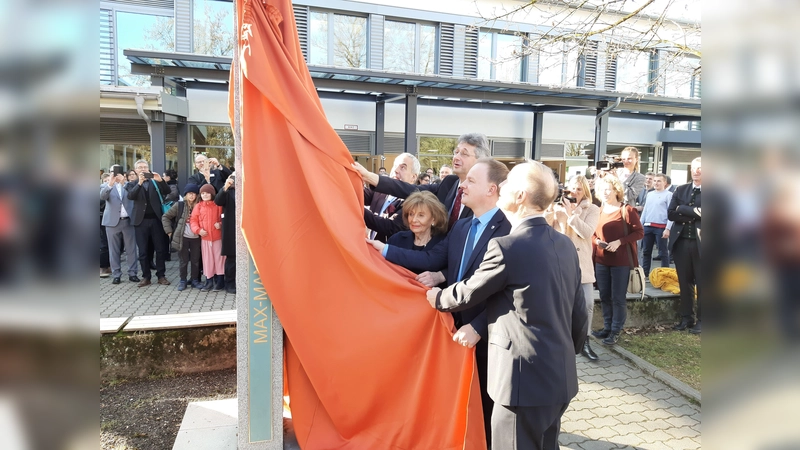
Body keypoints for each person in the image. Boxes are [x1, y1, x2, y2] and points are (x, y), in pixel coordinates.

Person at [425, 160, 587, 450]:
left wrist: (436, 297)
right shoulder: (564, 245)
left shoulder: (507, 246)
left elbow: (466, 294)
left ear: (521, 195)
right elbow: (580, 314)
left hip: (521, 386)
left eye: (508, 183)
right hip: (559, 378)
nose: (501, 188)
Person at [370, 158, 511, 446]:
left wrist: (478, 326)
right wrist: (382, 249)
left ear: (492, 189)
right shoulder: (461, 227)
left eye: (471, 180)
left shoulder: (508, 230)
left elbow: (508, 290)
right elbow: (434, 260)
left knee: (486, 407)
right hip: (452, 328)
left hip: (485, 335)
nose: (462, 185)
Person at [353, 133, 491, 232]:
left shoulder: (485, 193)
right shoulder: (449, 183)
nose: (456, 157)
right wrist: (369, 176)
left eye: (464, 154)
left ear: (480, 160)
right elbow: (410, 190)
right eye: (456, 152)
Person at [545, 175, 601, 361]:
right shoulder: (555, 208)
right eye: (572, 189)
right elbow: (544, 229)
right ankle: (560, 341)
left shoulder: (592, 209)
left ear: (585, 190)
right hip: (560, 263)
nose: (575, 193)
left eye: (579, 189)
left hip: (582, 264)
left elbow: (586, 232)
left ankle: (584, 341)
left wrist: (571, 215)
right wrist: (549, 209)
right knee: (560, 304)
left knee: (587, 304)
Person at [591, 175, 644, 345]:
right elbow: (591, 233)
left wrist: (619, 242)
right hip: (601, 260)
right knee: (604, 295)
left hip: (621, 262)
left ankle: (615, 330)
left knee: (618, 298)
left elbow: (639, 232)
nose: (605, 193)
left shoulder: (626, 210)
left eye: (608, 189)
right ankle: (607, 327)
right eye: (602, 190)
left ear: (616, 190)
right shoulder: (597, 210)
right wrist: (597, 241)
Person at [668, 157, 701, 334]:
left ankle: (703, 320)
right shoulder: (681, 189)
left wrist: (683, 209)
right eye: (694, 168)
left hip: (702, 245)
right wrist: (695, 213)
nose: (697, 171)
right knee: (684, 282)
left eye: (701, 168)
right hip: (681, 243)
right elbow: (671, 214)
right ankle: (686, 317)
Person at [125, 159, 171, 287]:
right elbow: (131, 196)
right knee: (143, 251)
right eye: (140, 167)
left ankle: (161, 276)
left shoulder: (155, 181)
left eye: (145, 167)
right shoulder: (132, 184)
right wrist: (139, 183)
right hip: (140, 222)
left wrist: (160, 180)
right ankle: (146, 277)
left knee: (160, 249)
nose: (143, 169)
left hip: (157, 220)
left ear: (148, 168)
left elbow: (167, 191)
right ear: (135, 170)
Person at [363, 153, 419, 242]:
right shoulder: (381, 190)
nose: (396, 170)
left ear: (413, 177)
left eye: (402, 167)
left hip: (389, 253)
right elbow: (358, 194)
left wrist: (359, 210)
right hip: (368, 251)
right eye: (395, 166)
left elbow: (391, 227)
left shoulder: (414, 202)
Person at [383, 191, 447, 263]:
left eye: (421, 215)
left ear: (434, 219)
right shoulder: (397, 239)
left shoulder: (441, 244)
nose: (414, 220)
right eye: (411, 214)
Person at [101, 165, 139, 284]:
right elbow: (102, 197)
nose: (116, 174)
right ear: (110, 173)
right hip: (112, 222)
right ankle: (116, 274)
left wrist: (124, 183)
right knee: (114, 250)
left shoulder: (128, 185)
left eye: (118, 172)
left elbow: (133, 195)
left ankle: (133, 273)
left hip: (128, 221)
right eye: (113, 172)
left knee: (131, 249)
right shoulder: (105, 185)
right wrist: (110, 184)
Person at [162, 183, 203, 291]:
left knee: (195, 260)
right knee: (183, 260)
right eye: (189, 194)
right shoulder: (179, 205)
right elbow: (166, 217)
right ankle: (183, 280)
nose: (192, 196)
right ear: (185, 195)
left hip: (196, 237)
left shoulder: (200, 205)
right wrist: (169, 231)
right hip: (182, 237)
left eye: (194, 194)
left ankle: (195, 280)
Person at [191, 184, 226, 292]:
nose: (205, 195)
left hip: (217, 238)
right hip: (205, 239)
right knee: (207, 260)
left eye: (207, 193)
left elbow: (224, 218)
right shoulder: (199, 206)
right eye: (202, 193)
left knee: (219, 260)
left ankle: (220, 282)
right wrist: (198, 230)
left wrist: (220, 224)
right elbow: (193, 220)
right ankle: (209, 281)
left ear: (212, 194)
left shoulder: (218, 205)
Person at [640, 174, 673, 277]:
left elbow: (671, 213)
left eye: (659, 181)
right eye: (655, 181)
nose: (656, 183)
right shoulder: (650, 194)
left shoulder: (668, 195)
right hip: (648, 226)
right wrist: (640, 225)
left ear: (665, 183)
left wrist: (668, 228)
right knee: (646, 251)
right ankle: (645, 274)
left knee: (663, 252)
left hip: (661, 226)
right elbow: (645, 210)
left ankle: (665, 275)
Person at [215, 172, 237, 294]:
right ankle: (230, 283)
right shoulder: (227, 191)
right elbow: (218, 201)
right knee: (231, 258)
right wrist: (225, 187)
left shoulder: (245, 190)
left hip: (244, 228)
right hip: (230, 229)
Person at [100, 173, 112, 278]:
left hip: (112, 219)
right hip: (102, 219)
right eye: (105, 181)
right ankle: (103, 267)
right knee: (103, 244)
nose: (108, 182)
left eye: (109, 180)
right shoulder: (101, 190)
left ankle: (109, 265)